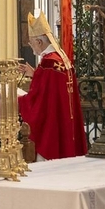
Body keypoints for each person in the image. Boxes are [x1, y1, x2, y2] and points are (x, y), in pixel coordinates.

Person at [20, 11, 89, 159]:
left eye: (31, 42)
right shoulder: (62, 59)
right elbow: (52, 88)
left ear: (39, 42)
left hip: (53, 127)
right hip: (66, 121)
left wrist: (19, 100)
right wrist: (35, 74)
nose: (31, 46)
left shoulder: (48, 63)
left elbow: (40, 100)